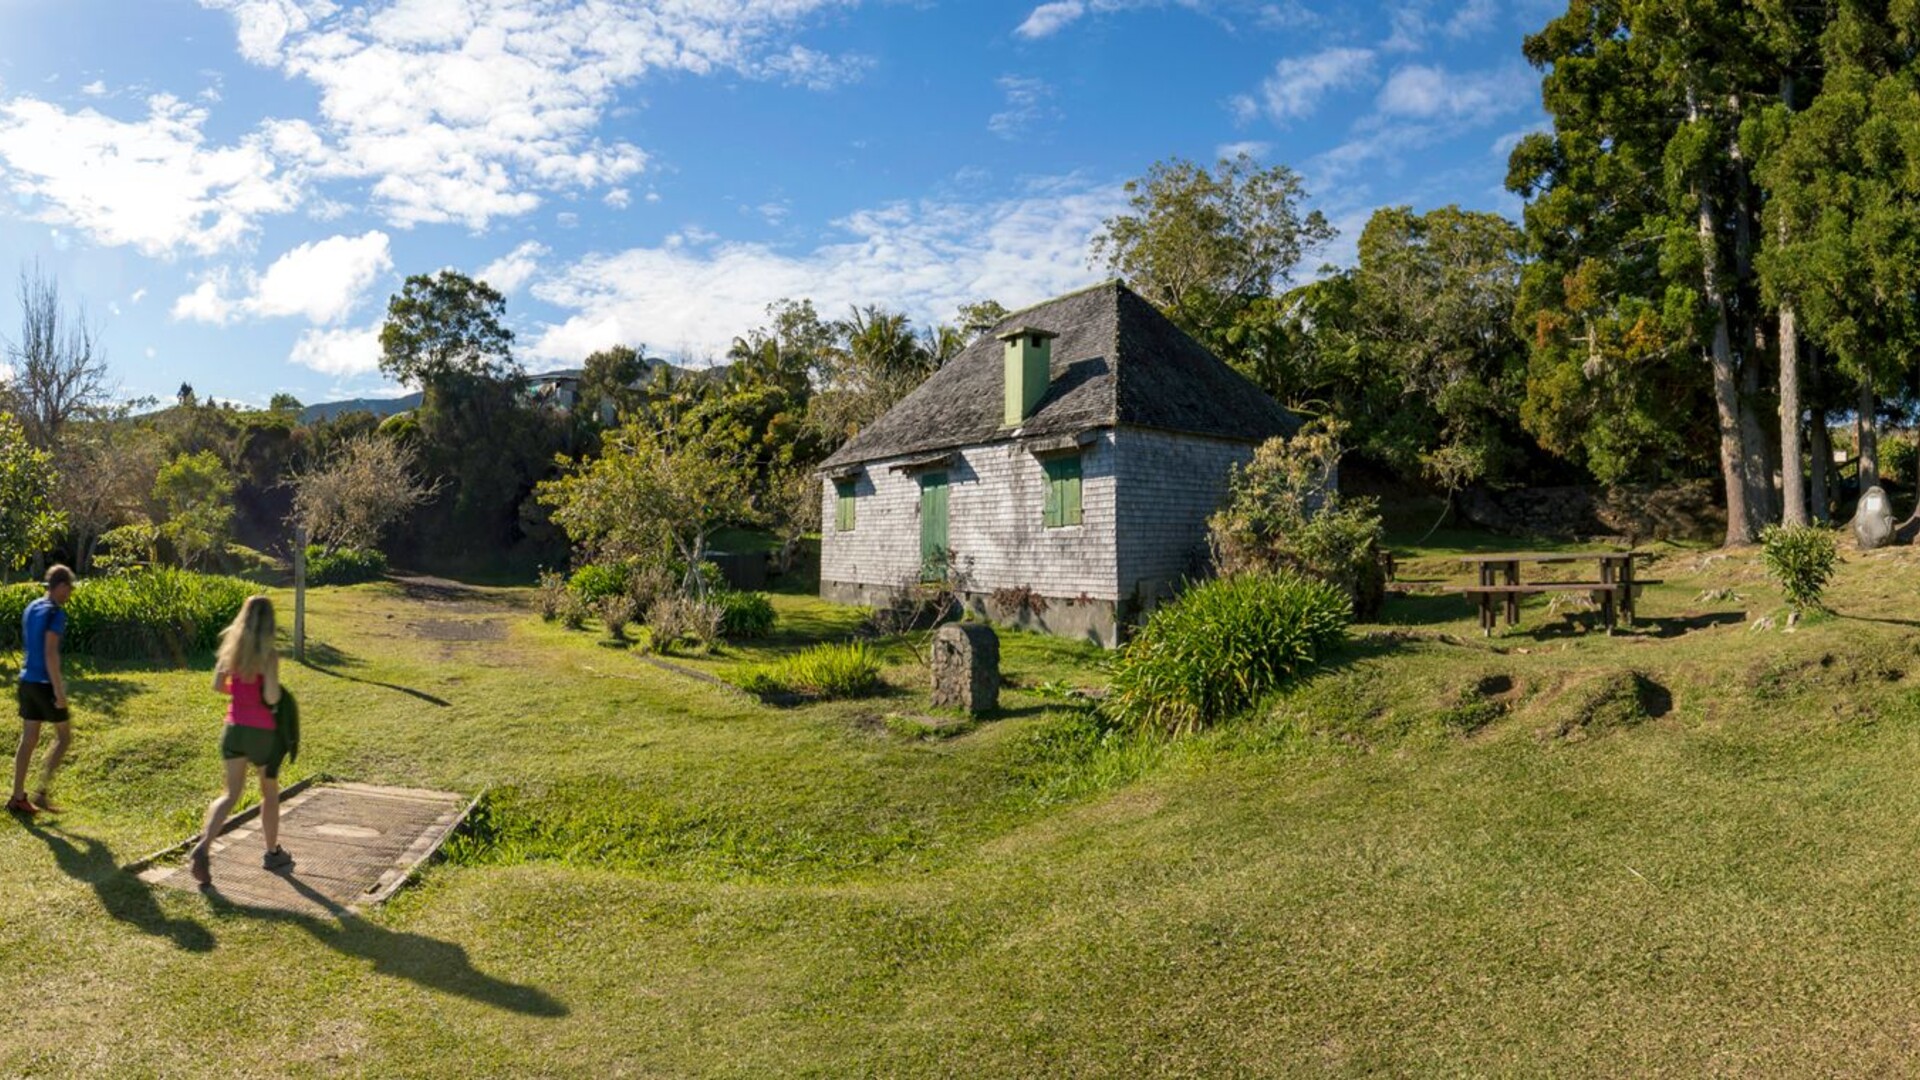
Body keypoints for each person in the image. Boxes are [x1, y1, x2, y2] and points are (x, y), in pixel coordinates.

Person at [189, 595, 293, 885]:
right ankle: (273, 853)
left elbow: (217, 685)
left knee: (229, 794)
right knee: (269, 793)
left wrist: (241, 693)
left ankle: (203, 846)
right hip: (262, 734)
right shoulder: (269, 654)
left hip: (233, 729)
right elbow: (272, 696)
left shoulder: (230, 651)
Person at [11, 565, 75, 816]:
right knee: (64, 737)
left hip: (26, 680)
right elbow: (50, 653)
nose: (69, 595)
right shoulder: (55, 613)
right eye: (68, 589)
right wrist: (59, 692)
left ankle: (18, 797)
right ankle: (42, 793)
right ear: (61, 586)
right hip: (44, 684)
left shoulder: (32, 607)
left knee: (28, 740)